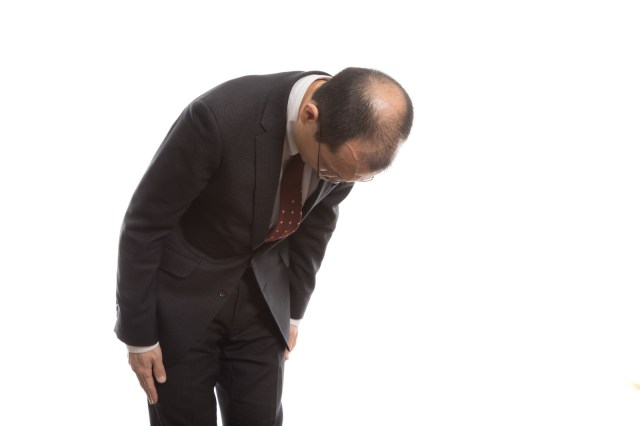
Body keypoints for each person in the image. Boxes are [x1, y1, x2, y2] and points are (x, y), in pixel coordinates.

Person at [115, 67, 414, 425]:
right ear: (310, 116)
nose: (334, 181)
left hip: (263, 303)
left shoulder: (348, 151)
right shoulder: (217, 118)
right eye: (330, 172)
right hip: (184, 302)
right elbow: (145, 225)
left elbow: (317, 226)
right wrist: (139, 337)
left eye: (349, 179)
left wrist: (293, 312)